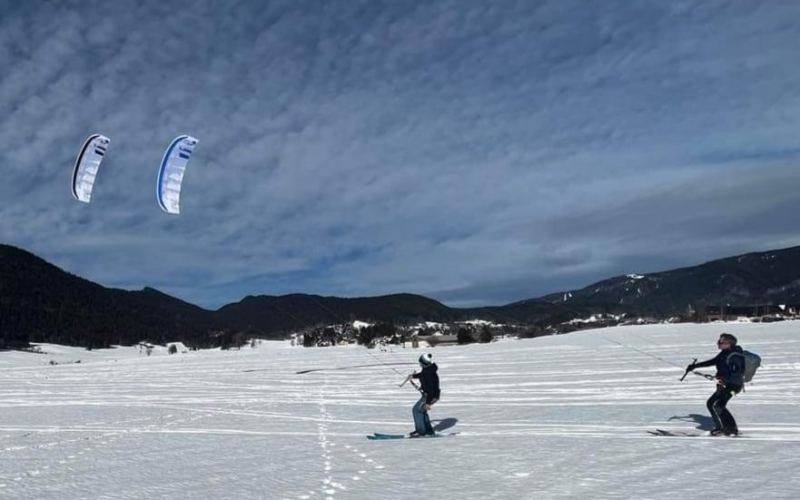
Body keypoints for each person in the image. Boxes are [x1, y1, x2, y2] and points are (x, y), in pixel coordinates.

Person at [686, 333, 745, 436]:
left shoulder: (734, 356)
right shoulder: (724, 353)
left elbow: (736, 373)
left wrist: (724, 380)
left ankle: (722, 428)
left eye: (721, 342)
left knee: (714, 404)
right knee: (718, 405)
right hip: (725, 385)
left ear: (729, 343)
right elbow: (713, 361)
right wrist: (695, 366)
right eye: (719, 341)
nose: (718, 343)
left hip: (733, 386)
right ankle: (731, 428)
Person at [404, 353, 440, 437]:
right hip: (429, 395)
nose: (419, 364)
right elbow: (422, 375)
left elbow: (431, 390)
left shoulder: (430, 374)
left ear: (424, 363)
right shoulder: (428, 369)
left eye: (420, 362)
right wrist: (413, 376)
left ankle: (421, 432)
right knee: (422, 410)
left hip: (429, 396)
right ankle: (428, 431)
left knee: (416, 410)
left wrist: (428, 403)